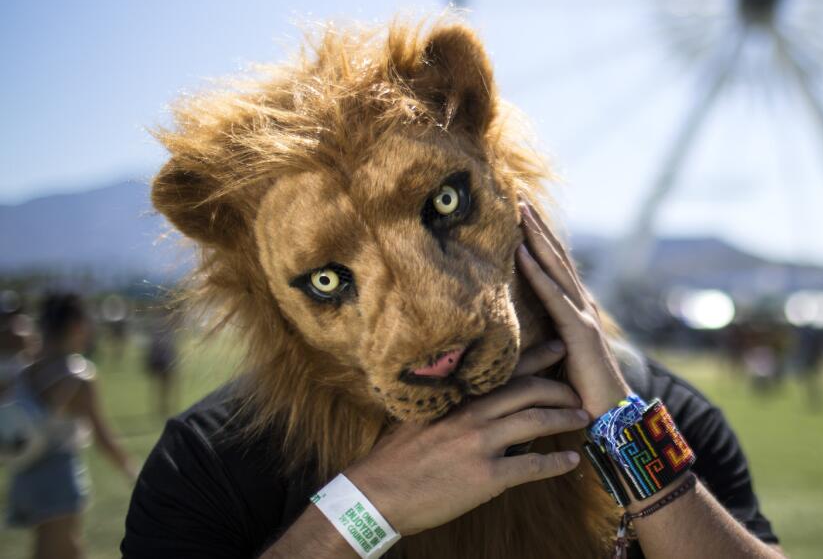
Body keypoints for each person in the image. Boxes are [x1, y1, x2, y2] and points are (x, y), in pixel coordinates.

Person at [123, 205, 783, 558]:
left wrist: (628, 432)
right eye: (334, 274)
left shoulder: (656, 407)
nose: (424, 314)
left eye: (444, 209)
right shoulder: (212, 459)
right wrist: (364, 507)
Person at [6, 292, 138, 559]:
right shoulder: (79, 375)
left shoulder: (25, 369)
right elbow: (103, 437)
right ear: (76, 326)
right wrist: (132, 470)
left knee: (67, 548)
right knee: (55, 550)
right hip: (58, 478)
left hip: (23, 476)